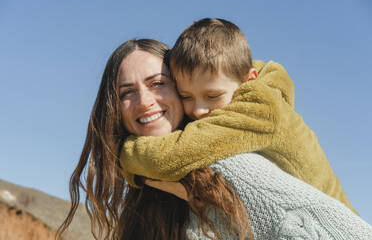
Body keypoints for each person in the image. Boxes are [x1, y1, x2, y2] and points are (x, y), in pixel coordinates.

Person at [119, 18, 357, 214]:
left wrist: (123, 152)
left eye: (212, 96)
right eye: (187, 97)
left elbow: (168, 157)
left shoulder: (258, 107)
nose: (199, 110)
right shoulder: (241, 92)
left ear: (249, 79)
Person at [56, 38, 252, 240]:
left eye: (157, 83)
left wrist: (216, 207)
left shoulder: (236, 162)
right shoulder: (143, 188)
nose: (143, 102)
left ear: (182, 86)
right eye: (127, 92)